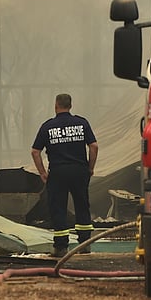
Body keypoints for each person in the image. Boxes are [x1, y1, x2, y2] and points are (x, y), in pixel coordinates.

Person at [31, 93, 99, 258]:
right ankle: (84, 245)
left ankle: (61, 247)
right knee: (82, 205)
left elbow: (35, 151)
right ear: (70, 105)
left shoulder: (48, 127)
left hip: (58, 172)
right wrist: (90, 168)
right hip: (79, 170)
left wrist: (42, 173)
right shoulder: (82, 123)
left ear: (56, 105)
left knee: (58, 208)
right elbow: (94, 146)